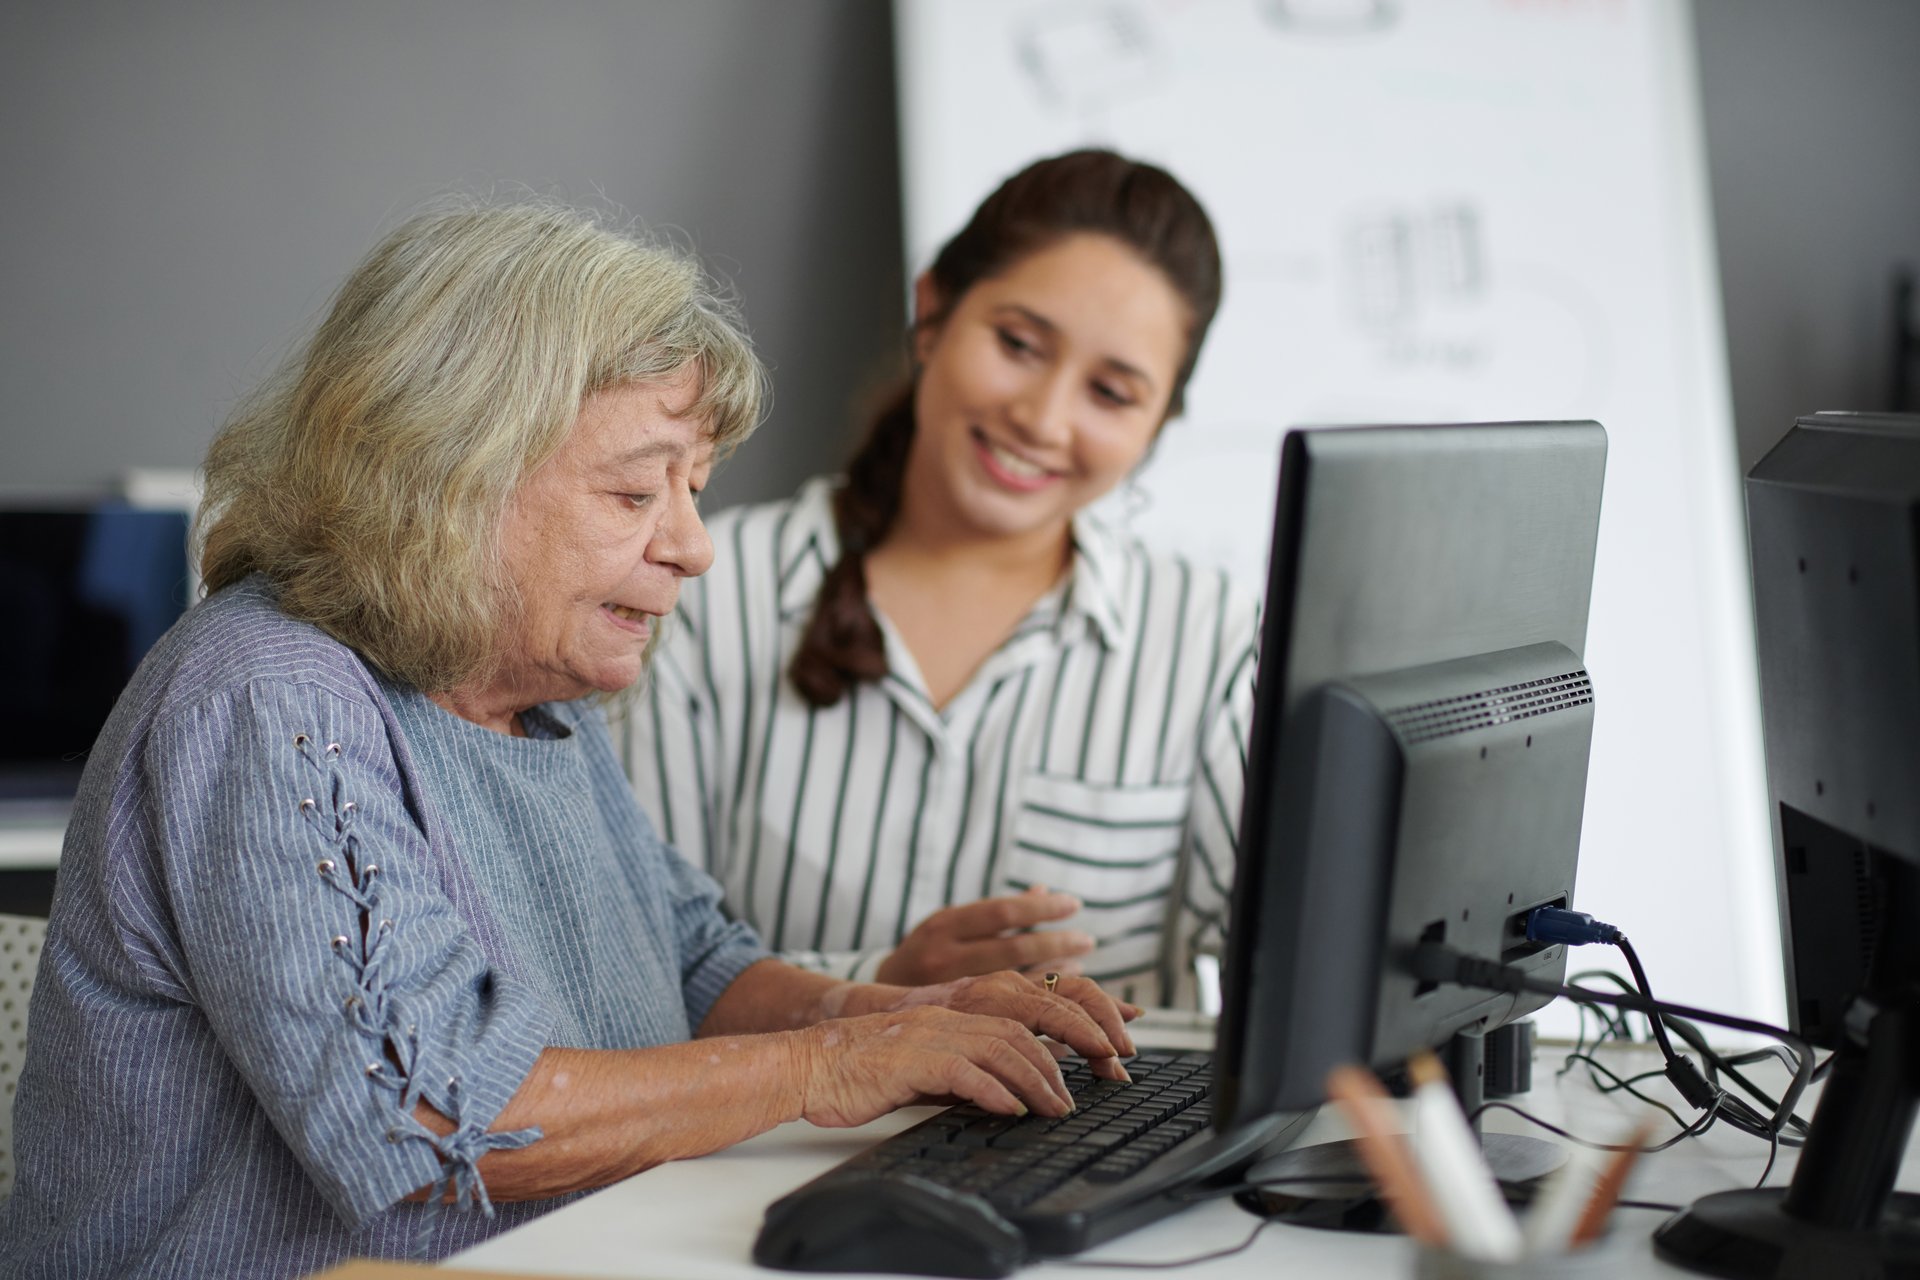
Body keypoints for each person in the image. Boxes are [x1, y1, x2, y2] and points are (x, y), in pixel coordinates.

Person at [0, 204, 1136, 1280]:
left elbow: (691, 965)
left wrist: (911, 1022)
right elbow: (435, 1124)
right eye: (637, 491)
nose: (692, 546)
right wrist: (829, 1067)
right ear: (446, 477)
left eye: (692, 490)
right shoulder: (267, 697)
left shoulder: (534, 686)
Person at [626, 150, 1255, 1008]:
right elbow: (633, 971)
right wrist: (881, 992)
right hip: (779, 1141)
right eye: (1019, 345)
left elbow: (1293, 954)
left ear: (1160, 424)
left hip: (1085, 1136)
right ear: (933, 315)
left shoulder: (1213, 640)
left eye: (1111, 393)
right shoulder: (697, 595)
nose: (1042, 418)